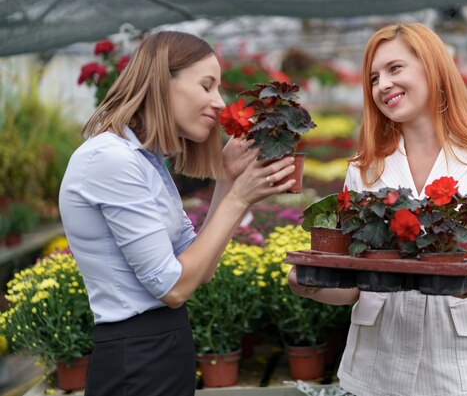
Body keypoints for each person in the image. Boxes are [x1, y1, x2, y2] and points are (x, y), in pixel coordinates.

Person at [288, 23, 467, 396]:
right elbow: (355, 284)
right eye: (374, 77)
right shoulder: (364, 167)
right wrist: (312, 286)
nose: (383, 84)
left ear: (432, 69)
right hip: (380, 369)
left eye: (395, 69)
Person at [59, 31, 296, 396]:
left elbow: (200, 268)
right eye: (207, 86)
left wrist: (228, 183)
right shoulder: (110, 159)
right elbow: (172, 287)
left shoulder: (147, 161)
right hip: (135, 359)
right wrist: (238, 199)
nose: (219, 102)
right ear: (161, 83)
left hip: (163, 349)